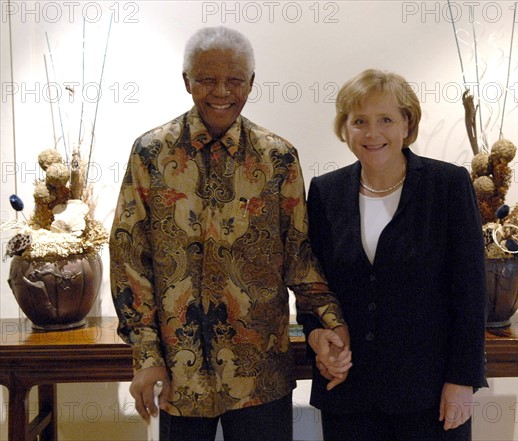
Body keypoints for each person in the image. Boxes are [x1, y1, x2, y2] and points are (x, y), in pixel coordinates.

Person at [109, 26, 350, 441]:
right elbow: (129, 256)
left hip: (261, 371)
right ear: (186, 81)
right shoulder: (151, 152)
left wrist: (331, 324)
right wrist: (146, 354)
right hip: (179, 372)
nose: (221, 91)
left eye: (235, 80)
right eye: (207, 79)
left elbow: (299, 254)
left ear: (251, 83)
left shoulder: (278, 157)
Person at [298, 69, 488, 441]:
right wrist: (317, 337)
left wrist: (462, 380)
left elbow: (470, 290)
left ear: (406, 123)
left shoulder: (447, 185)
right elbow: (312, 285)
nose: (372, 133)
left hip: (429, 395)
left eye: (385, 119)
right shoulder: (325, 192)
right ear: (345, 128)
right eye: (359, 121)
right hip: (348, 393)